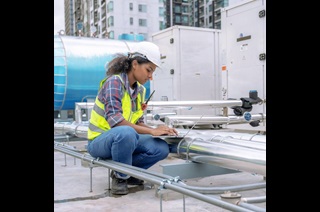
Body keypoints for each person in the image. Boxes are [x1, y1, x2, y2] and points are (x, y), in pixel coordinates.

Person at [87, 41, 178, 195]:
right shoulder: (114, 83)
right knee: (126, 133)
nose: (150, 76)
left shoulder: (140, 91)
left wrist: (158, 131)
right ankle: (120, 176)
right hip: (99, 140)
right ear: (135, 64)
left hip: (123, 137)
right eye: (149, 70)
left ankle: (131, 173)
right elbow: (116, 122)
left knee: (161, 148)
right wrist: (151, 131)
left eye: (152, 72)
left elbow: (138, 122)